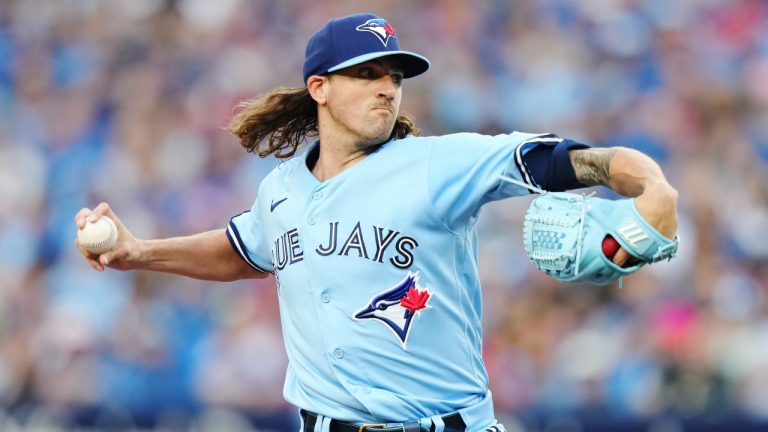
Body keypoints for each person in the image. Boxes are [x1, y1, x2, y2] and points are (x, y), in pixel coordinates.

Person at [75, 12, 678, 432]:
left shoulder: (435, 164)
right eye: (367, 74)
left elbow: (565, 160)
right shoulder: (281, 188)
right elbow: (245, 251)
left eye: (394, 75)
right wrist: (138, 252)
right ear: (320, 87)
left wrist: (650, 184)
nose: (387, 88)